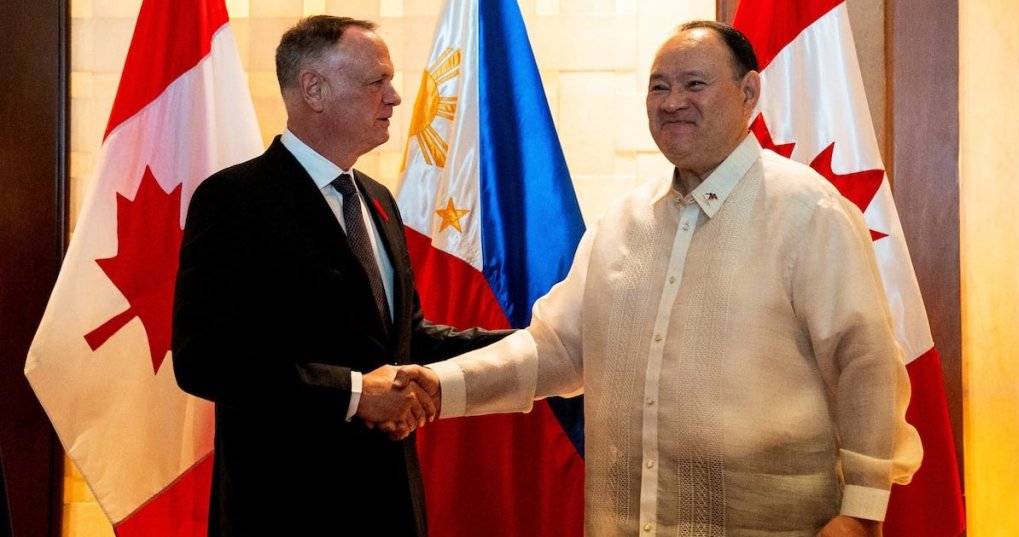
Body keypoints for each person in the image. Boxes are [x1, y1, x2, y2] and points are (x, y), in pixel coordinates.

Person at [397, 21, 923, 537]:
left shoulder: (810, 213)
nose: (672, 102)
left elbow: (865, 364)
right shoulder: (622, 222)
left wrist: (862, 511)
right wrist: (441, 386)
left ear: (749, 92)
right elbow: (555, 350)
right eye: (659, 86)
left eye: (694, 84)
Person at [171, 16, 506, 537]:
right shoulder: (235, 200)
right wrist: (353, 393)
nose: (395, 98)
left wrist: (537, 345)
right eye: (378, 82)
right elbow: (206, 360)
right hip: (287, 508)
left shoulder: (377, 200)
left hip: (391, 503)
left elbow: (408, 340)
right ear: (314, 89)